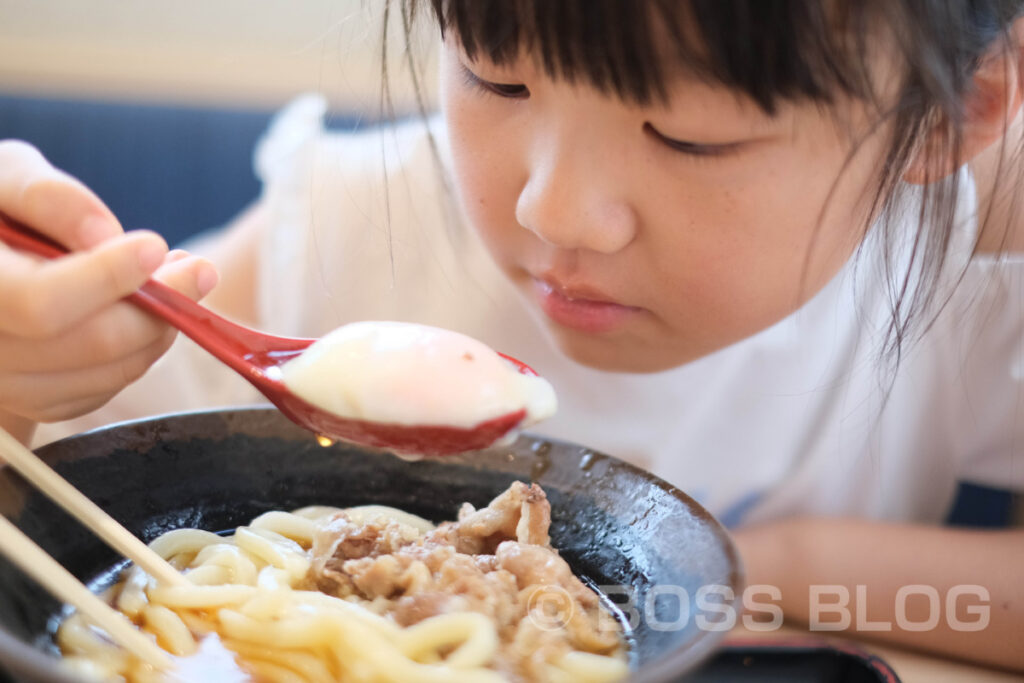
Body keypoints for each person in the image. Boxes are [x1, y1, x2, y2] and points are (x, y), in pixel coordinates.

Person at [1, 0, 1022, 670]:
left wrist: (770, 561)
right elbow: (39, 531)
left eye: (689, 132)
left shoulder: (976, 272)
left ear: (948, 117)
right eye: (495, 77)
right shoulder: (340, 226)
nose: (555, 210)